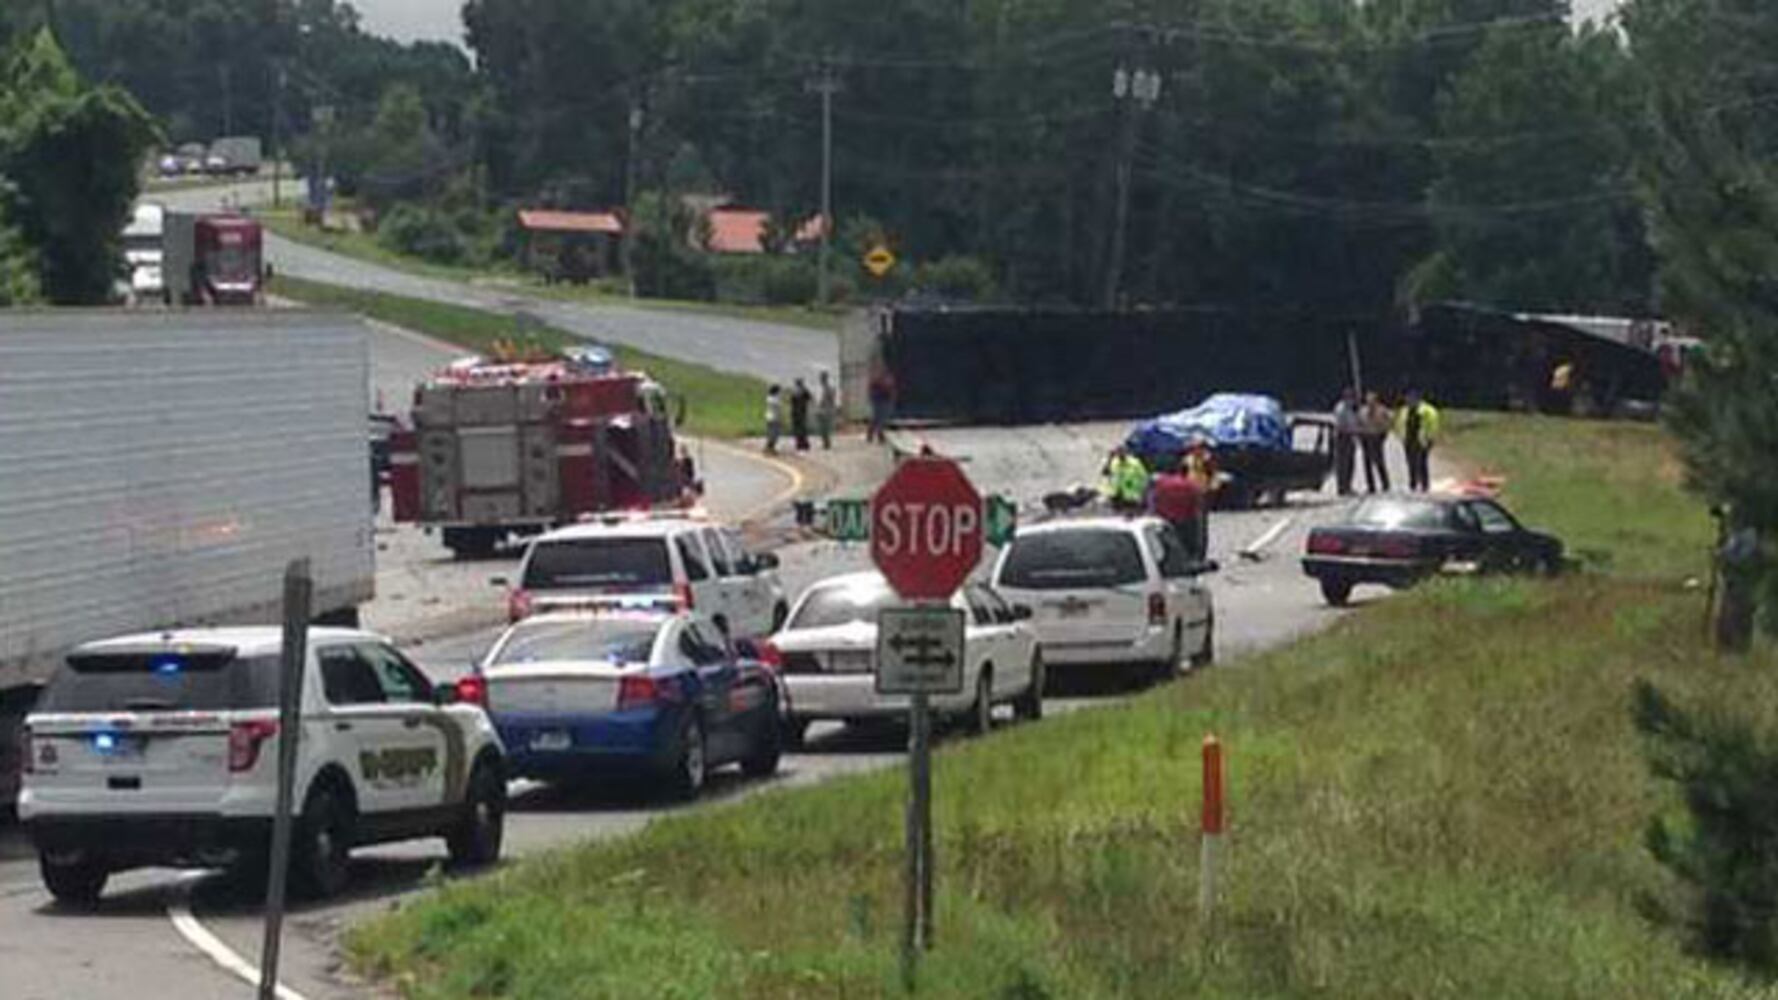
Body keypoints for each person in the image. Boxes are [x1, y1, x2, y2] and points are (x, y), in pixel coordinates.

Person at [1150, 459, 1207, 560]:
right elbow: (1197, 510)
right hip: (1185, 524)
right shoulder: (1191, 486)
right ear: (1186, 472)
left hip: (1164, 522)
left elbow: (1154, 502)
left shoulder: (1161, 484)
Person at [1394, 389, 1441, 492]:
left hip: (1422, 439)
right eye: (1407, 398)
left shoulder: (1427, 410)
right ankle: (1413, 483)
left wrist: (1430, 438)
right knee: (1410, 462)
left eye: (1410, 398)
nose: (1408, 400)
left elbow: (1433, 425)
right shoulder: (1404, 410)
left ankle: (1424, 484)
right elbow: (1399, 423)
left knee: (1422, 462)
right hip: (1408, 439)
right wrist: (1400, 436)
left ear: (1417, 399)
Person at [1100, 446, 1150, 515]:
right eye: (1118, 454)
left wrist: (1142, 492)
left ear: (1126, 453)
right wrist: (1109, 459)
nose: (1120, 455)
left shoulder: (1135, 463)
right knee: (1116, 516)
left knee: (1129, 516)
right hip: (1116, 495)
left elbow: (1144, 477)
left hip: (1131, 496)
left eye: (1122, 453)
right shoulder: (1114, 462)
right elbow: (1106, 474)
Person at [1358, 391, 1392, 494]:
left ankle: (1385, 484)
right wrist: (1360, 437)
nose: (1370, 403)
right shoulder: (1362, 411)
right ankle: (1371, 486)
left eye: (1372, 401)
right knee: (1367, 463)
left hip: (1377, 437)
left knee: (1379, 462)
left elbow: (1388, 423)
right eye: (1368, 400)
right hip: (1366, 437)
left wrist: (1383, 436)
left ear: (1376, 401)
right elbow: (1359, 423)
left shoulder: (1382, 411)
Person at [1331, 387, 1361, 496]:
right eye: (1350, 398)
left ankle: (1348, 485)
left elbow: (1356, 421)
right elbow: (1340, 425)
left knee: (1350, 463)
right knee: (1342, 464)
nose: (1351, 400)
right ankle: (1342, 487)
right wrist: (1352, 430)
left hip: (1351, 437)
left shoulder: (1352, 409)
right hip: (1342, 437)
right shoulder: (1341, 408)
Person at [867, 365, 897, 444]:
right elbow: (889, 389)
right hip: (882, 401)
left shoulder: (880, 379)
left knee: (878, 419)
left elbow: (891, 390)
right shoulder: (882, 380)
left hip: (882, 400)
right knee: (881, 419)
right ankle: (879, 435)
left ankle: (873, 435)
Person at [816, 370, 838, 450]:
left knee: (825, 428)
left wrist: (832, 408)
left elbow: (832, 399)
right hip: (821, 410)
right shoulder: (821, 388)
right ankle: (825, 442)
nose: (821, 379)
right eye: (821, 377)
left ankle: (826, 443)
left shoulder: (829, 388)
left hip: (825, 410)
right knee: (822, 428)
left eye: (822, 378)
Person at [789, 378, 813, 452]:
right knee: (803, 429)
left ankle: (799, 444)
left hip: (795, 413)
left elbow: (791, 402)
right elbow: (810, 398)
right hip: (802, 413)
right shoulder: (805, 391)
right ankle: (805, 444)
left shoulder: (794, 392)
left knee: (797, 429)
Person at [764, 385, 784, 454]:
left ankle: (769, 447)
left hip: (769, 417)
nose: (780, 392)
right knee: (774, 434)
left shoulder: (769, 398)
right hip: (774, 418)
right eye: (779, 391)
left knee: (771, 433)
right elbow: (778, 410)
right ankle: (770, 448)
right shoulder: (775, 400)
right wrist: (781, 419)